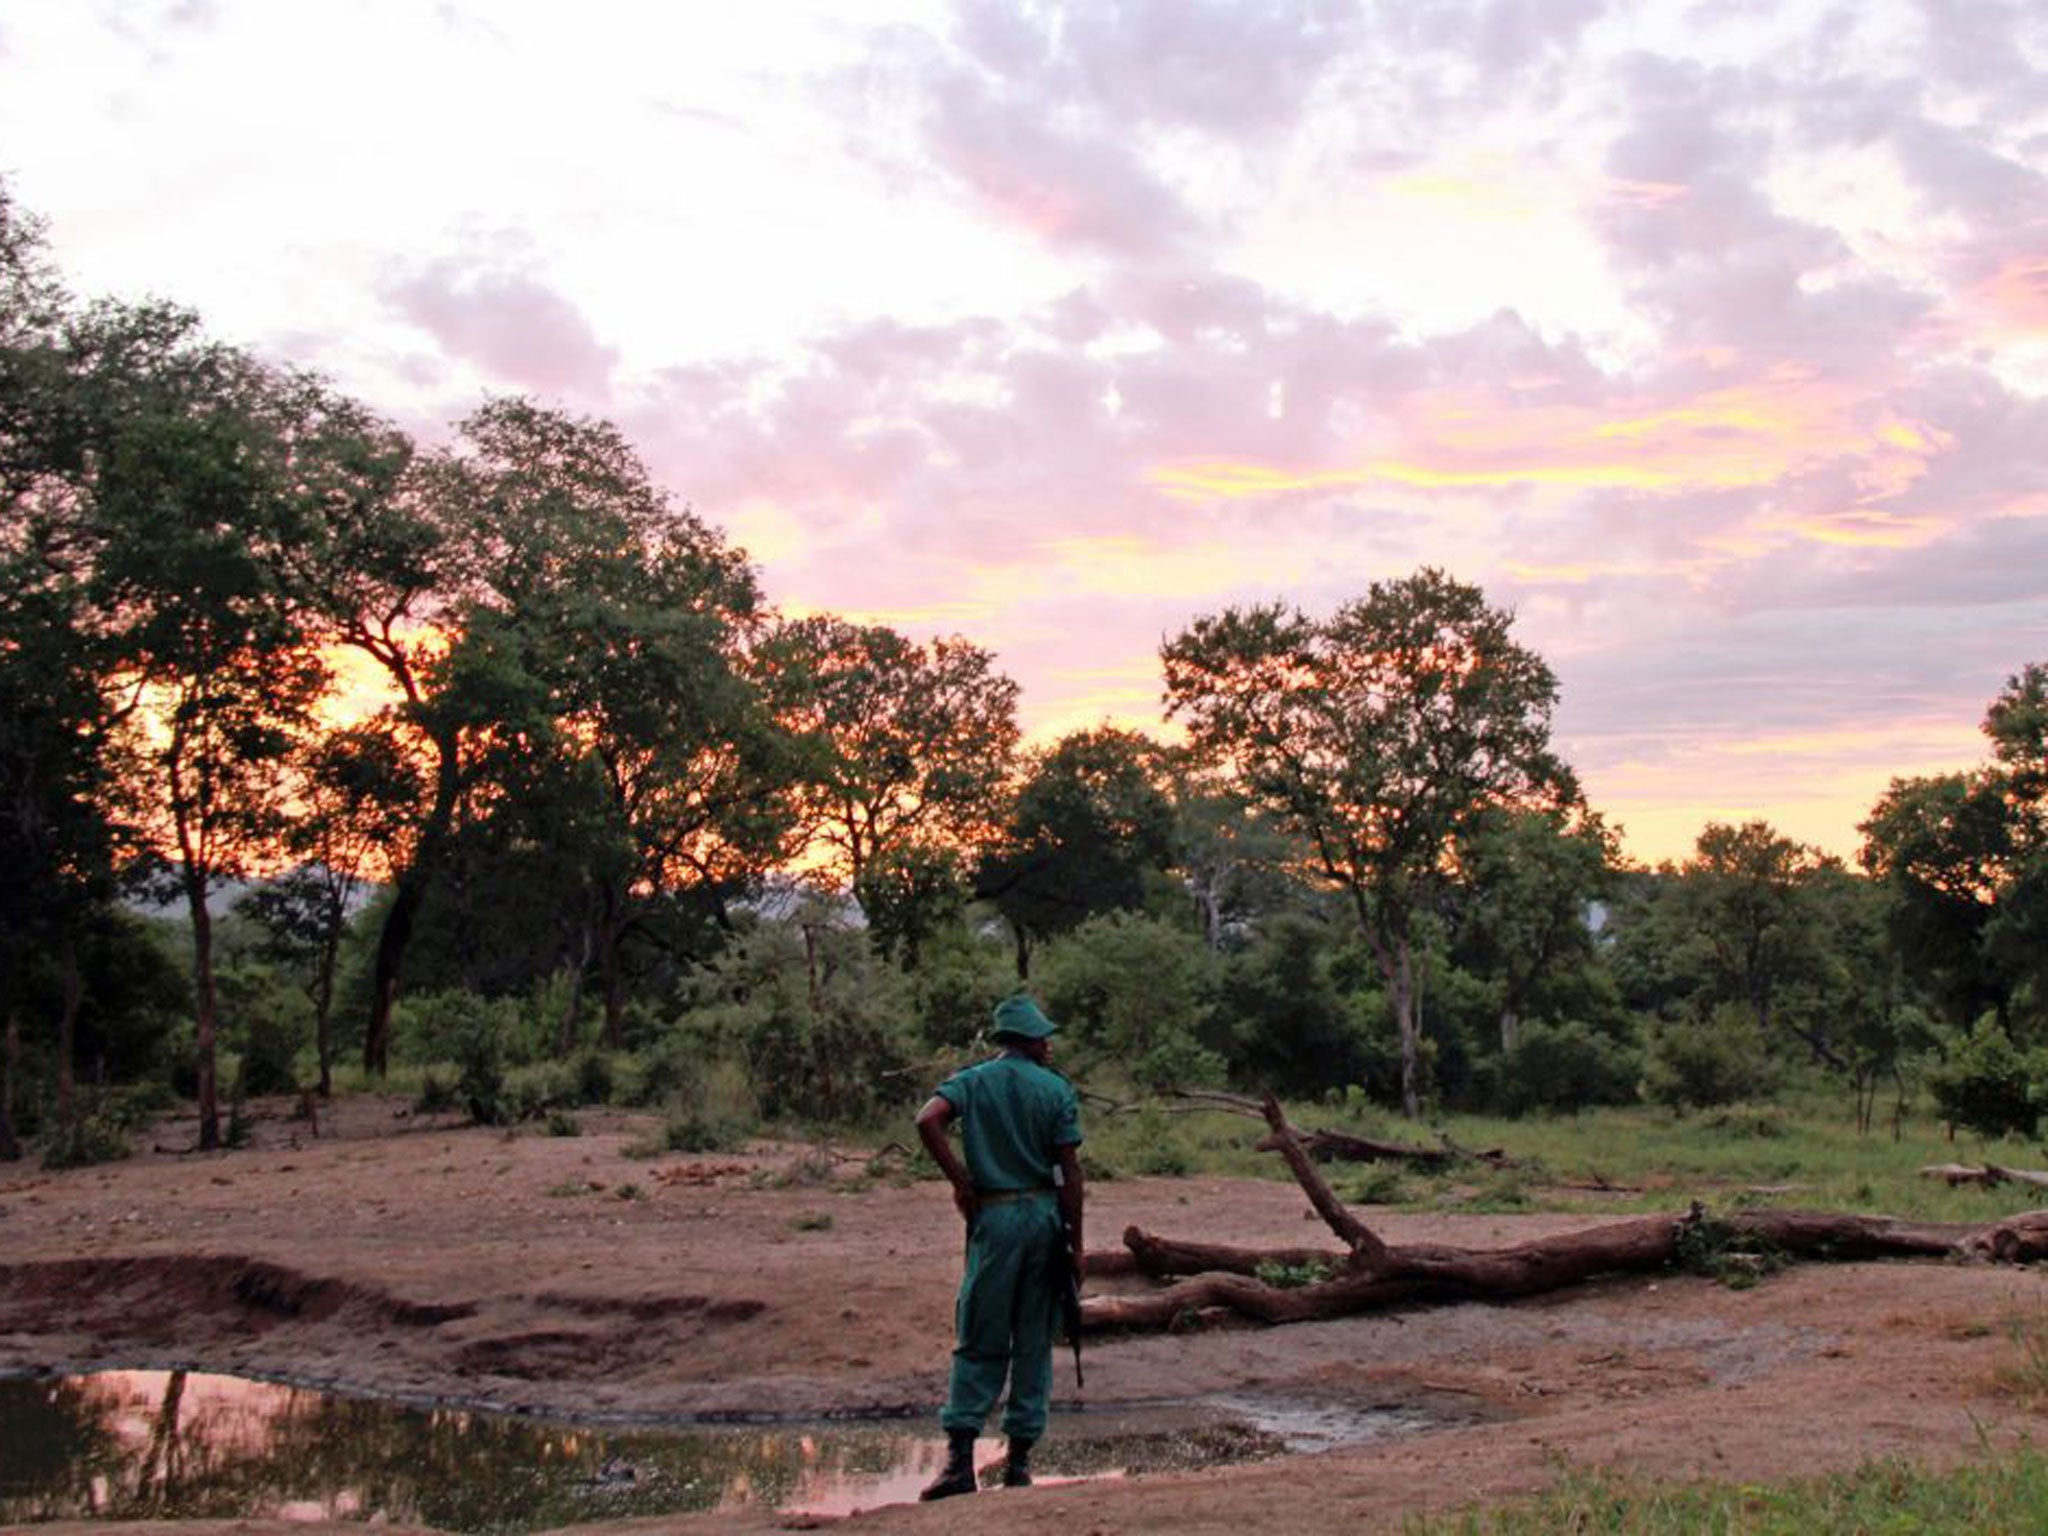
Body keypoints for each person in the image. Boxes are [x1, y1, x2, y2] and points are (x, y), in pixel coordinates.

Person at [914, 991, 1085, 1500]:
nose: (1049, 1046)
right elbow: (1069, 1171)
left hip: (993, 1218)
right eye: (1044, 1038)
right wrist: (1076, 1242)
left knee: (980, 1330)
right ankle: (1019, 1464)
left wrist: (962, 1181)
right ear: (1028, 1040)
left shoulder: (972, 1081)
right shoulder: (1055, 1091)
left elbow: (928, 1120)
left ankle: (960, 1463)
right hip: (1043, 1220)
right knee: (1033, 1335)